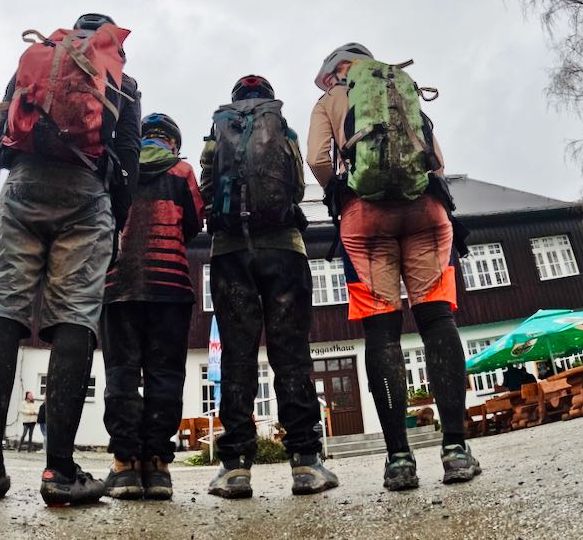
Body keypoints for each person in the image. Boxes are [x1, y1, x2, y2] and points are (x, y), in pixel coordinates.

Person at [0, 13, 141, 506]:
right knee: (75, 318)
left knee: (1, 309)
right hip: (87, 199)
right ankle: (59, 471)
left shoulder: (39, 61)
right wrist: (115, 225)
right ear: (112, 40)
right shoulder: (121, 78)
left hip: (20, 187)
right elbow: (126, 158)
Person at [306, 43, 481, 490]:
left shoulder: (330, 100)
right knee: (437, 322)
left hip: (364, 221)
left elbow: (317, 159)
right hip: (426, 212)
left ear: (334, 72)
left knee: (381, 333)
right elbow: (437, 161)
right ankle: (455, 450)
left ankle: (399, 460)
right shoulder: (401, 85)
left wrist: (343, 192)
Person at [200, 75, 339, 500]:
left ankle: (235, 469)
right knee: (291, 354)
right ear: (266, 100)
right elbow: (296, 186)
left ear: (236, 100)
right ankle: (305, 463)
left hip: (229, 254)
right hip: (283, 250)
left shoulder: (217, 131)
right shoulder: (283, 127)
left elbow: (208, 188)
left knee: (239, 358)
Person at [101, 113, 204, 501]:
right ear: (173, 142)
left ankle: (125, 467)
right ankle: (158, 468)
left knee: (122, 374)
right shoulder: (181, 172)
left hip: (119, 285)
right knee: (165, 375)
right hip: (170, 287)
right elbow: (194, 224)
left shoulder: (118, 168)